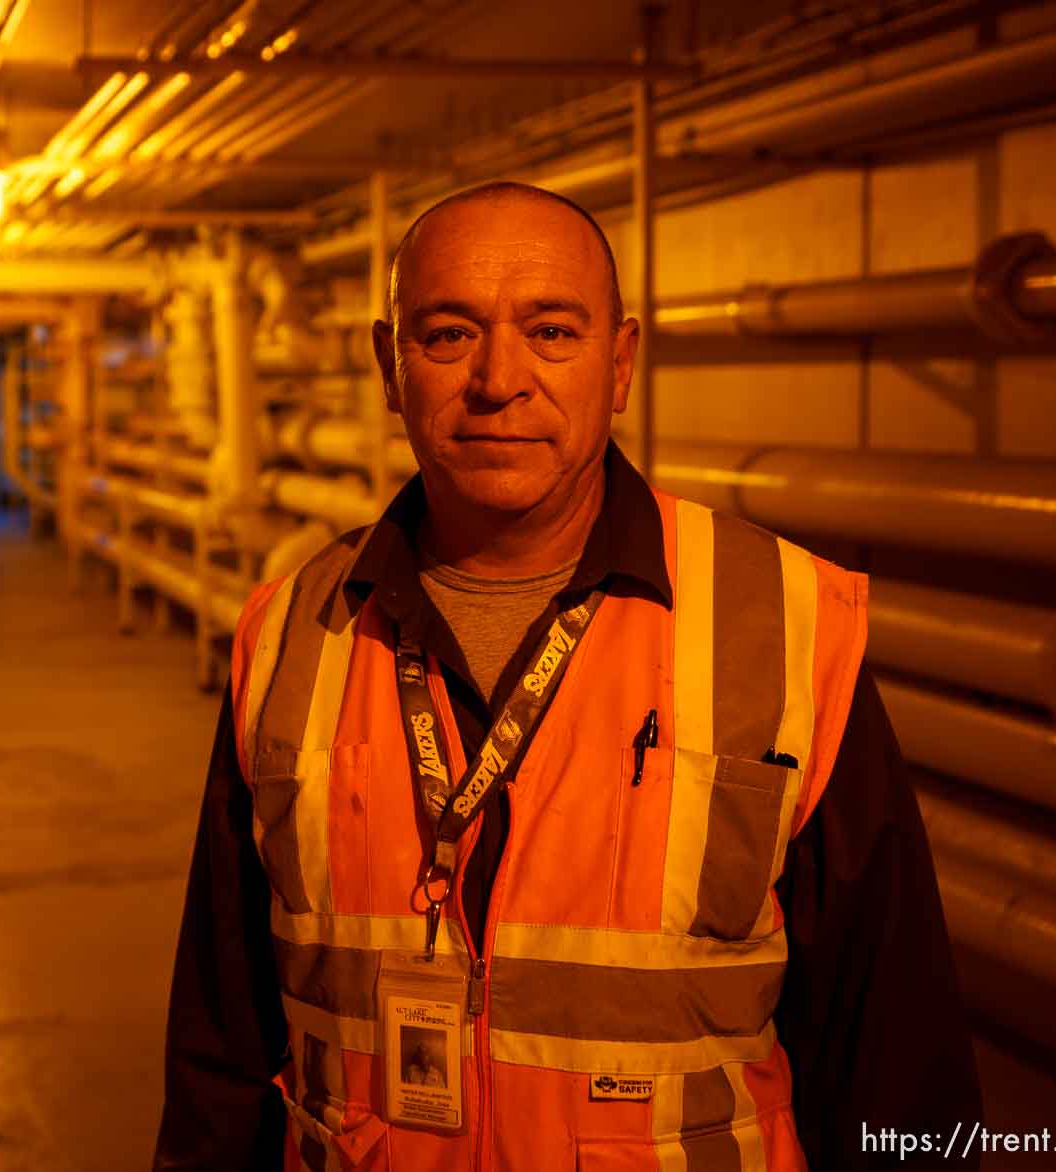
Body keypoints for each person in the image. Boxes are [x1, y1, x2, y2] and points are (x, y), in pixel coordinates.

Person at [153, 182, 980, 1170]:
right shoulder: (293, 631)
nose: (500, 379)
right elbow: (222, 1047)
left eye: (551, 332)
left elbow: (894, 1055)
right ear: (389, 366)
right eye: (450, 335)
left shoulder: (784, 625)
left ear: (620, 364)